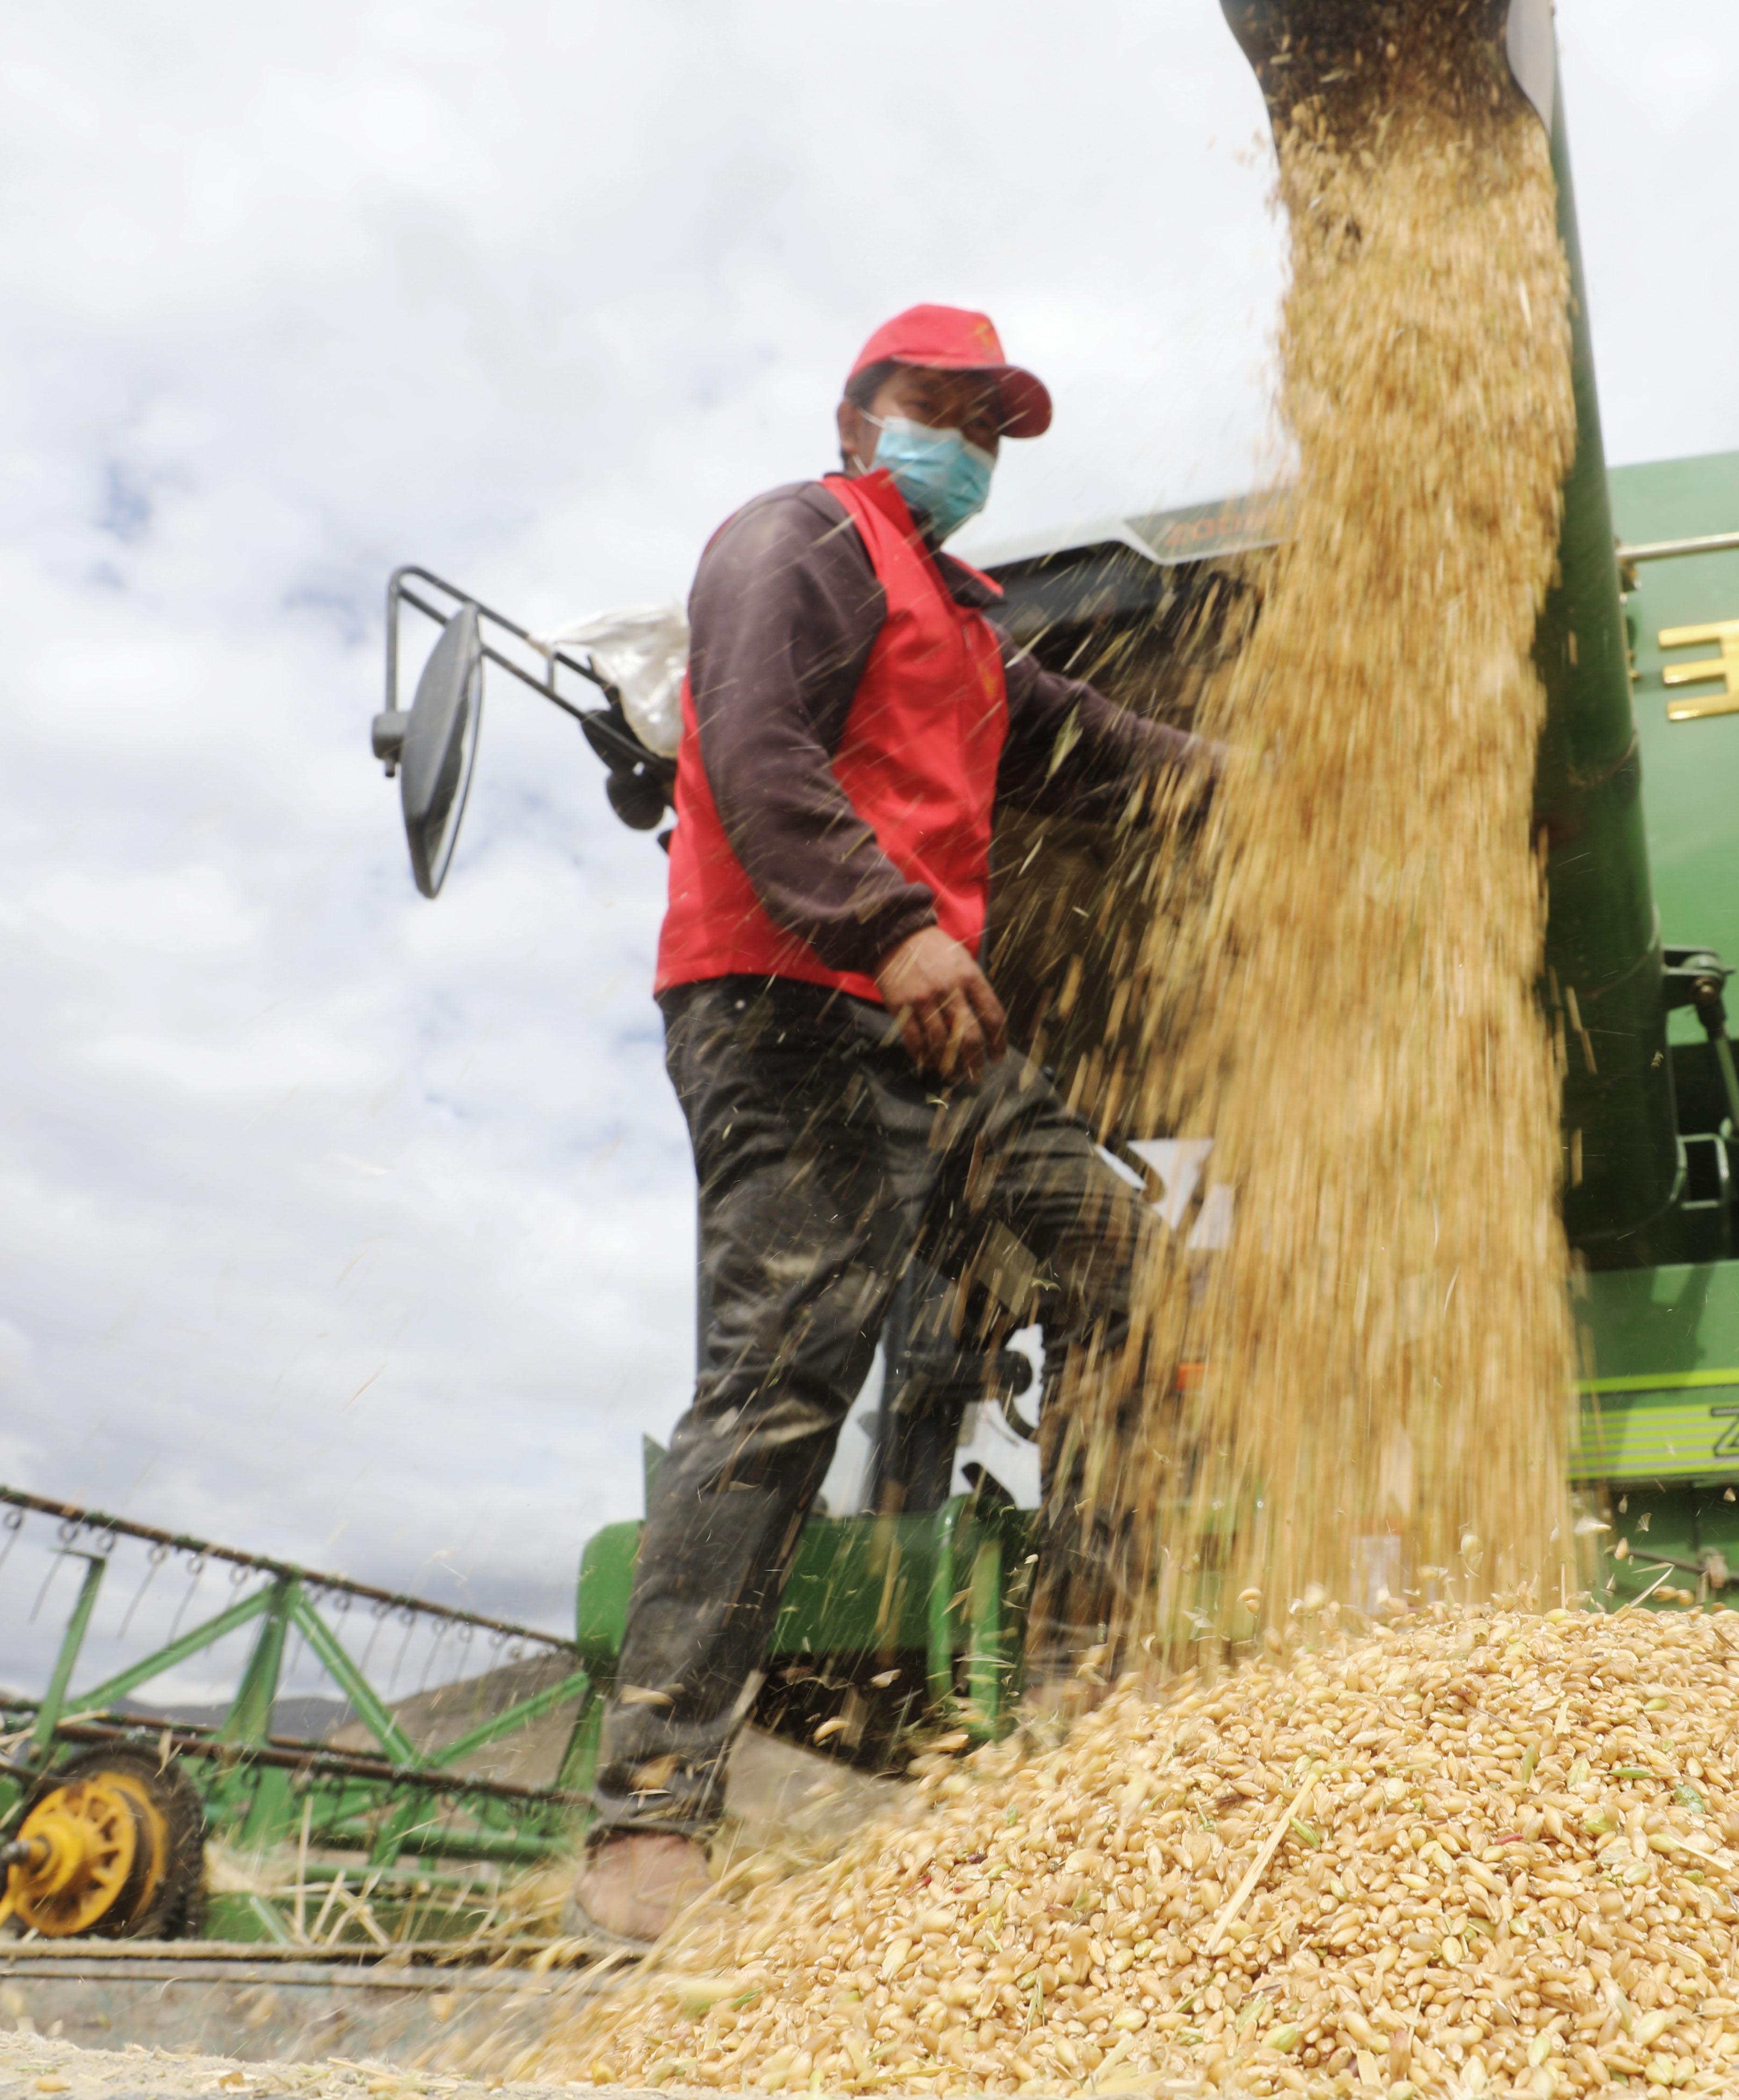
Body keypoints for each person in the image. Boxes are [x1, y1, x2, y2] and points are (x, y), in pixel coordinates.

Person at [572, 305, 1213, 1943]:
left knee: (1128, 1267)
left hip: (927, 1032)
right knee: (786, 1377)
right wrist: (887, 922)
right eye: (942, 409)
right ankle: (648, 1828)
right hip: (788, 1002)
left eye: (991, 425)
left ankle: (1086, 1687)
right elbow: (757, 746)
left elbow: (1100, 746)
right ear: (860, 418)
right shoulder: (795, 540)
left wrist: (1268, 777)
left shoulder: (963, 624)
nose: (969, 445)